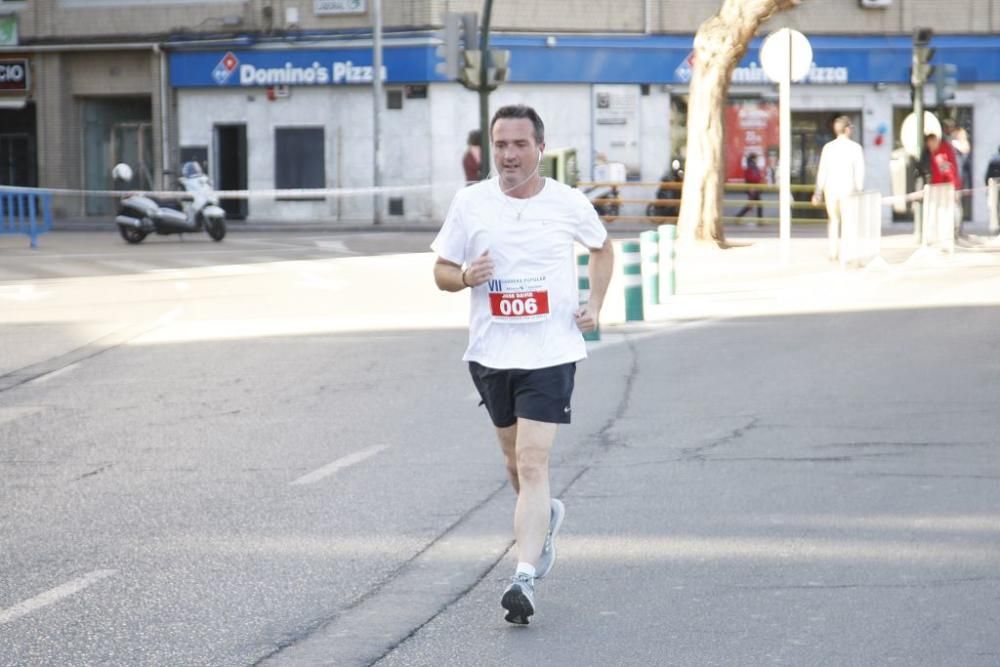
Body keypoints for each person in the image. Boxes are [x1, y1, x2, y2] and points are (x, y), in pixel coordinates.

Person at [432, 104, 614, 625]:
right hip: (491, 355)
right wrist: (467, 276)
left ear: (539, 147)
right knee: (514, 465)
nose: (509, 155)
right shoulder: (471, 203)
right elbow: (440, 271)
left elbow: (603, 250)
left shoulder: (567, 202)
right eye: (501, 145)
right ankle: (545, 518)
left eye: (519, 145)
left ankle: (524, 576)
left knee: (534, 463)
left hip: (551, 352)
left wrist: (596, 305)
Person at [812, 116, 865, 261]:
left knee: (833, 220)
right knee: (849, 222)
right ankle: (848, 252)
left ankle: (833, 252)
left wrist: (818, 192)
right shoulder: (855, 148)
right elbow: (859, 172)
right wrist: (859, 189)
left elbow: (822, 171)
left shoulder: (828, 148)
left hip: (831, 189)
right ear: (847, 129)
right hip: (848, 190)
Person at [925, 133, 964, 235]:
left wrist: (954, 189)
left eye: (930, 144)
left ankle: (953, 233)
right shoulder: (937, 152)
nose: (929, 147)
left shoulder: (941, 154)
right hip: (942, 188)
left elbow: (949, 172)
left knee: (948, 212)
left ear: (935, 141)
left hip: (946, 188)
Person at [735, 153, 764, 222]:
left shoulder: (751, 166)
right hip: (753, 189)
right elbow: (752, 178)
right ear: (753, 159)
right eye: (756, 158)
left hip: (754, 188)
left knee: (755, 205)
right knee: (753, 205)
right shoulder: (752, 167)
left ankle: (738, 217)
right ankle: (738, 217)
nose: (757, 160)